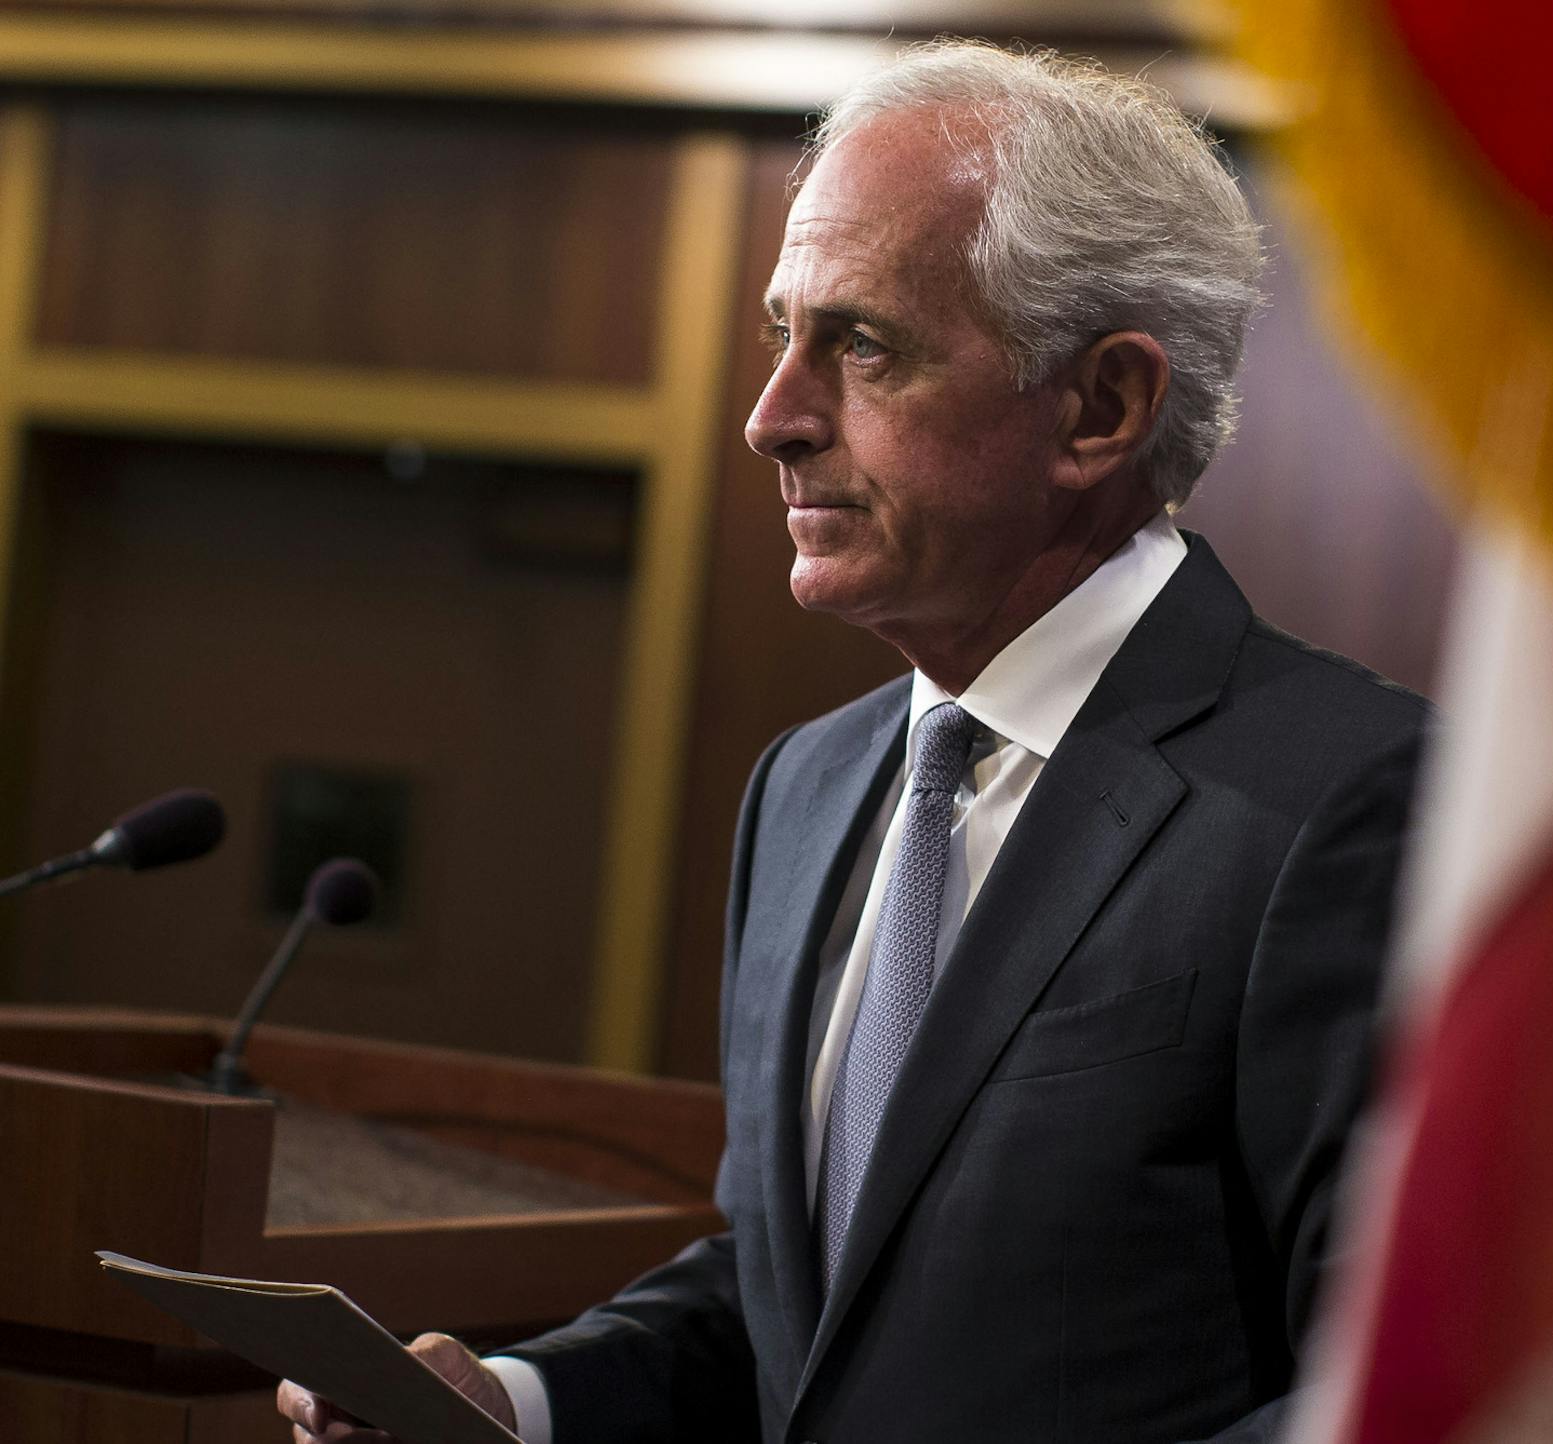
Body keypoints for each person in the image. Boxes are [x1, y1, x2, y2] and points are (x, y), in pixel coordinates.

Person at [280, 39, 1429, 1444]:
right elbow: (805, 1314)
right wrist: (517, 1403)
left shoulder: (1344, 801)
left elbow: (1396, 1393)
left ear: (1100, 409)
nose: (773, 419)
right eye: (784, 334)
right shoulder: (808, 789)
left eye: (864, 345)